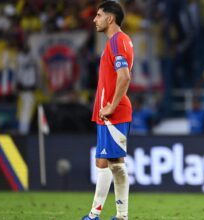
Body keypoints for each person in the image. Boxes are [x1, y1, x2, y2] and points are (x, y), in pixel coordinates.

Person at [82, 1, 134, 220]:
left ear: (110, 19)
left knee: (104, 162)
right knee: (115, 163)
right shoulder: (118, 42)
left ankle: (94, 215)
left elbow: (124, 76)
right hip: (112, 112)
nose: (95, 19)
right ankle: (121, 216)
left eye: (99, 15)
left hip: (114, 112)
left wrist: (111, 105)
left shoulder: (117, 42)